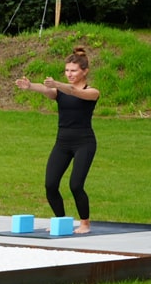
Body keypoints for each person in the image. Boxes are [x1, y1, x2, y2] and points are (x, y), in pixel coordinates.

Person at [16, 47, 100, 233]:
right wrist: (31, 86)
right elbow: (48, 90)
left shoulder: (92, 92)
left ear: (85, 71)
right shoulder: (59, 91)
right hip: (62, 143)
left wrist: (57, 84)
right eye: (67, 70)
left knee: (76, 185)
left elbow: (74, 92)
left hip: (84, 143)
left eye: (74, 70)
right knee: (50, 184)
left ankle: (85, 223)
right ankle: (61, 221)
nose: (69, 74)